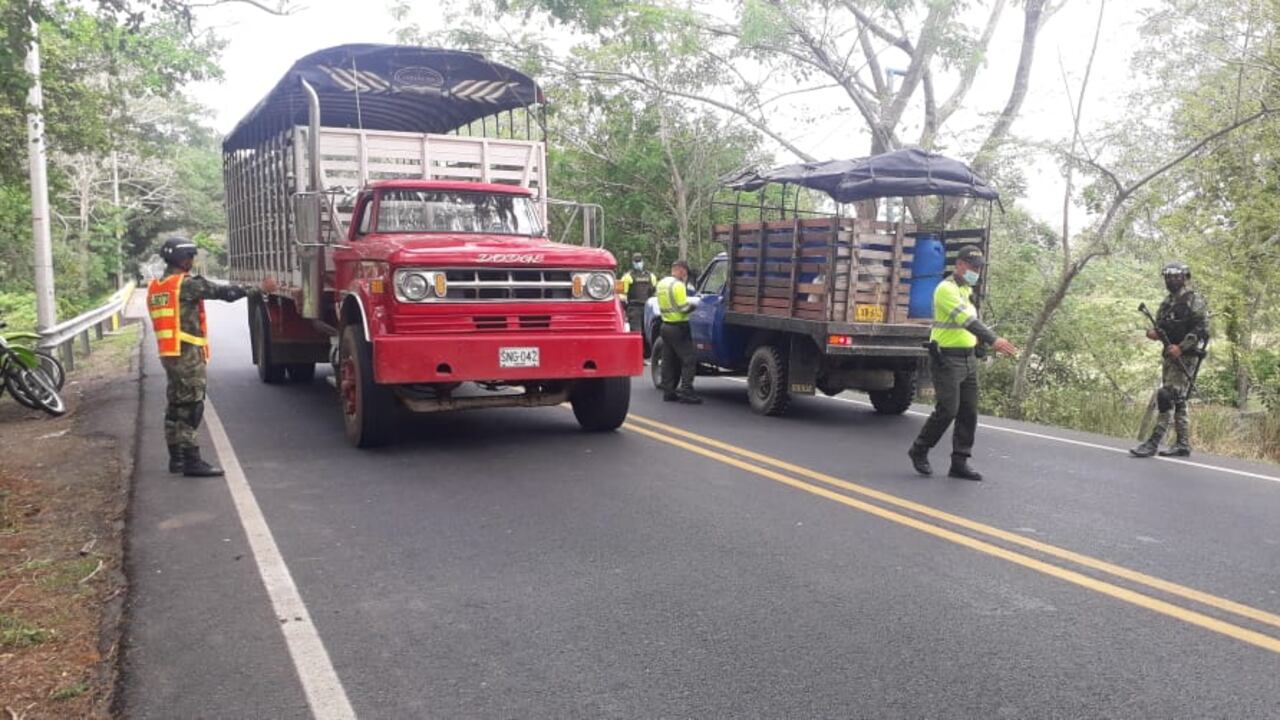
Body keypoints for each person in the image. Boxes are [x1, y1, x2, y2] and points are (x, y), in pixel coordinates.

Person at [147, 237, 273, 477]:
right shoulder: (185, 284)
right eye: (190, 257)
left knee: (175, 405)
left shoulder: (158, 285)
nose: (192, 261)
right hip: (187, 356)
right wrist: (259, 289)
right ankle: (192, 461)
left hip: (169, 353)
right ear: (182, 259)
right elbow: (224, 292)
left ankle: (177, 459)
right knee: (191, 407)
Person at [908, 245, 1018, 481]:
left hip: (968, 359)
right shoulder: (945, 290)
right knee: (948, 410)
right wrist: (993, 339)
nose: (976, 271)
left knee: (968, 412)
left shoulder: (967, 291)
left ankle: (959, 462)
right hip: (947, 358)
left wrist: (979, 347)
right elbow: (967, 321)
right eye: (972, 266)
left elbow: (970, 326)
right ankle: (919, 448)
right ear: (959, 265)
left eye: (978, 268)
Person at [1131, 261, 1209, 458]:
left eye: (1176, 276)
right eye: (1168, 276)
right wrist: (1154, 333)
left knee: (1166, 396)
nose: (1172, 280)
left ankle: (1153, 443)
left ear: (1185, 278)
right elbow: (1160, 326)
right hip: (1169, 355)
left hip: (1186, 356)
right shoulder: (1167, 303)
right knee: (1179, 399)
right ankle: (1182, 445)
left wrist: (1181, 348)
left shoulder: (1194, 300)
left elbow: (1200, 329)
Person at [655, 260, 702, 404]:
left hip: (665, 325)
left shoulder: (662, 283)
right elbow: (682, 307)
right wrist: (695, 305)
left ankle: (668, 392)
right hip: (678, 327)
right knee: (688, 359)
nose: (685, 276)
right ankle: (687, 391)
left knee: (668, 360)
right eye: (685, 273)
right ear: (681, 270)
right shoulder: (678, 285)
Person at [620, 252, 658, 343]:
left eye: (639, 261)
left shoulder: (651, 276)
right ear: (633, 262)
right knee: (636, 332)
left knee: (648, 333)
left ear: (643, 261)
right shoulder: (627, 277)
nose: (638, 263)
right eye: (636, 261)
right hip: (634, 308)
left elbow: (655, 292)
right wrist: (625, 309)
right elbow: (622, 295)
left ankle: (648, 355)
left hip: (648, 308)